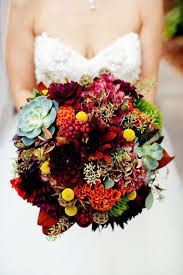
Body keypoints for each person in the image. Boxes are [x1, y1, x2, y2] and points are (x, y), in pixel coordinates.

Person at [1, 1, 183, 274]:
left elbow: (148, 83)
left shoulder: (147, 3)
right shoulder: (26, 3)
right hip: (48, 153)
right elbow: (22, 86)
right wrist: (56, 145)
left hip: (128, 150)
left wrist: (122, 147)